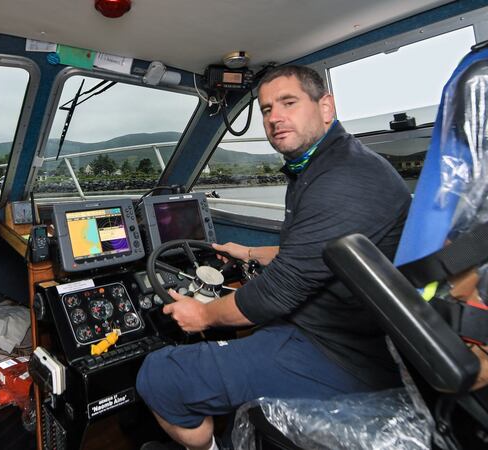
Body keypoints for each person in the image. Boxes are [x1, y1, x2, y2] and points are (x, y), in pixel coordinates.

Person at [136, 65, 412, 450]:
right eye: (266, 109)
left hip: (341, 350)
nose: (274, 117)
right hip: (338, 331)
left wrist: (202, 315)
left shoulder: (343, 179)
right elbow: (314, 249)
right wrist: (248, 252)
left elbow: (277, 293)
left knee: (159, 375)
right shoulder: (326, 165)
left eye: (288, 102)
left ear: (326, 107)